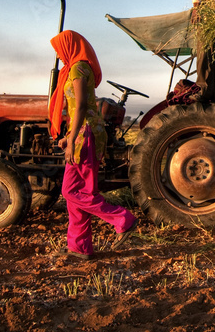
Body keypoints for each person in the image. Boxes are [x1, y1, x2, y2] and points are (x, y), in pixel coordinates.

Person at [49, 30, 138, 259]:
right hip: (84, 132)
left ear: (69, 46)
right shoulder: (77, 67)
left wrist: (71, 140)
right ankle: (79, 247)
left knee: (70, 191)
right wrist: (68, 136)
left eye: (59, 50)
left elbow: (79, 106)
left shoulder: (79, 67)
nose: (59, 56)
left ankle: (122, 219)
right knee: (81, 193)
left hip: (85, 134)